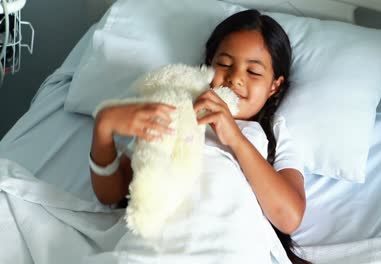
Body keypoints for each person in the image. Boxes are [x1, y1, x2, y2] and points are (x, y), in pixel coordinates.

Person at [89, 9, 310, 264]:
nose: (235, 78)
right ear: (207, 67)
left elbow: (289, 217)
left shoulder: (274, 134)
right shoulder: (176, 109)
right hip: (156, 244)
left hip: (227, 246)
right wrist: (103, 129)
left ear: (274, 85)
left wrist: (236, 139)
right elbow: (112, 195)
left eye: (253, 72)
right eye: (225, 64)